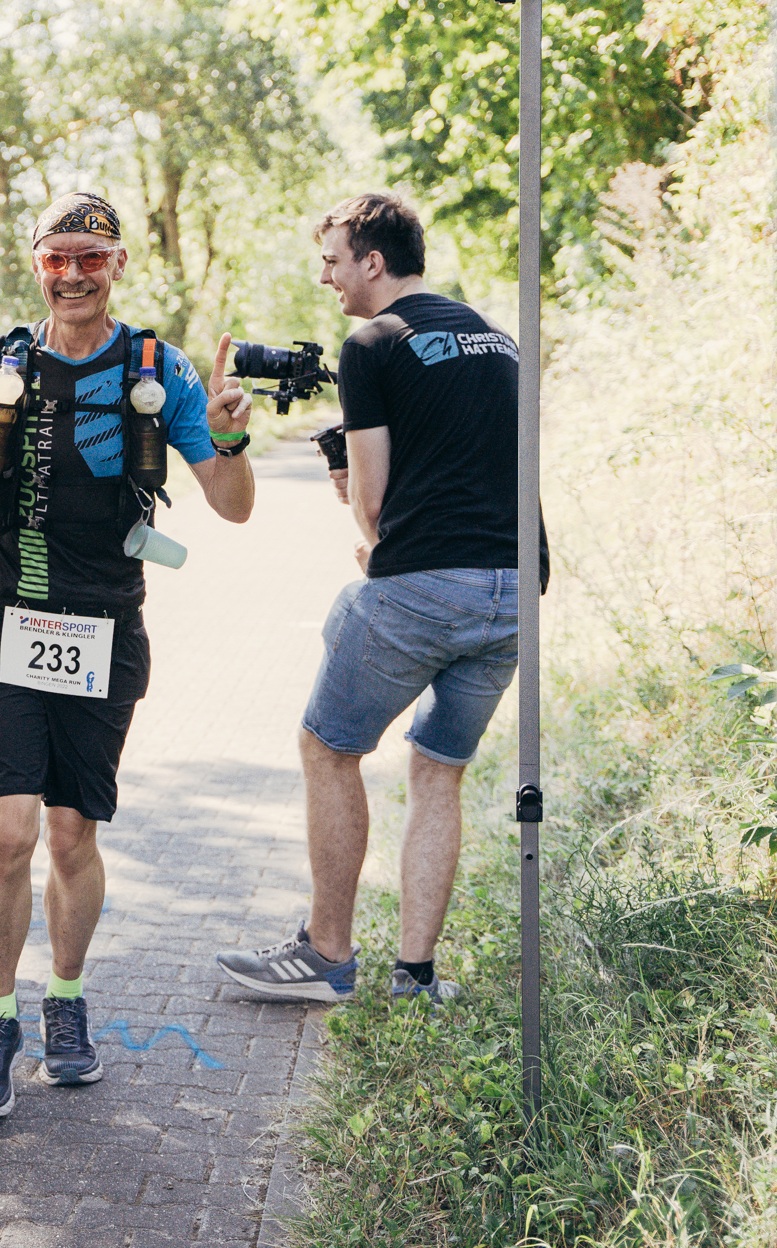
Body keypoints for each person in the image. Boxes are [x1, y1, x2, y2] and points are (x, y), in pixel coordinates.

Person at [0, 191, 254, 1119]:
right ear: (35, 263)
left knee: (73, 833)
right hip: (12, 614)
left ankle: (66, 1000)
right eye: (57, 258)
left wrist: (234, 433)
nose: (73, 274)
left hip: (105, 628)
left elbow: (233, 504)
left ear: (118, 265)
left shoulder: (161, 370)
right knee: (11, 828)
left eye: (91, 257)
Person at [215, 193, 537, 1006]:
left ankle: (326, 955)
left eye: (333, 258)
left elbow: (370, 511)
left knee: (329, 748)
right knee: (438, 770)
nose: (325, 274)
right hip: (516, 593)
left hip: (430, 588)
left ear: (373, 261)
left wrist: (367, 523)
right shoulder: (497, 337)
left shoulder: (370, 343)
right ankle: (416, 977)